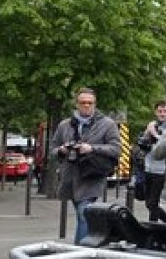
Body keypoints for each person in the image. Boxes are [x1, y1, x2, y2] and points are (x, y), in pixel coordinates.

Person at [50, 88, 120, 244]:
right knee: (82, 214)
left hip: (92, 176)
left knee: (84, 214)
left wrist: (92, 148)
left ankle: (80, 250)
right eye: (83, 103)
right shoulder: (65, 125)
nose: (86, 106)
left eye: (90, 103)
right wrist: (62, 150)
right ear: (77, 104)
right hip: (70, 178)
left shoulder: (107, 124)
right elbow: (52, 150)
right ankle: (93, 244)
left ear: (95, 104)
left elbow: (116, 149)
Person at [138, 99, 166, 222]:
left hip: (162, 170)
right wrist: (146, 133)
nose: (162, 114)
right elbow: (143, 144)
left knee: (153, 203)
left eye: (165, 111)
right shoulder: (153, 124)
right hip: (149, 167)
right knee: (148, 203)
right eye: (160, 111)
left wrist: (154, 133)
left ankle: (154, 226)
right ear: (155, 112)